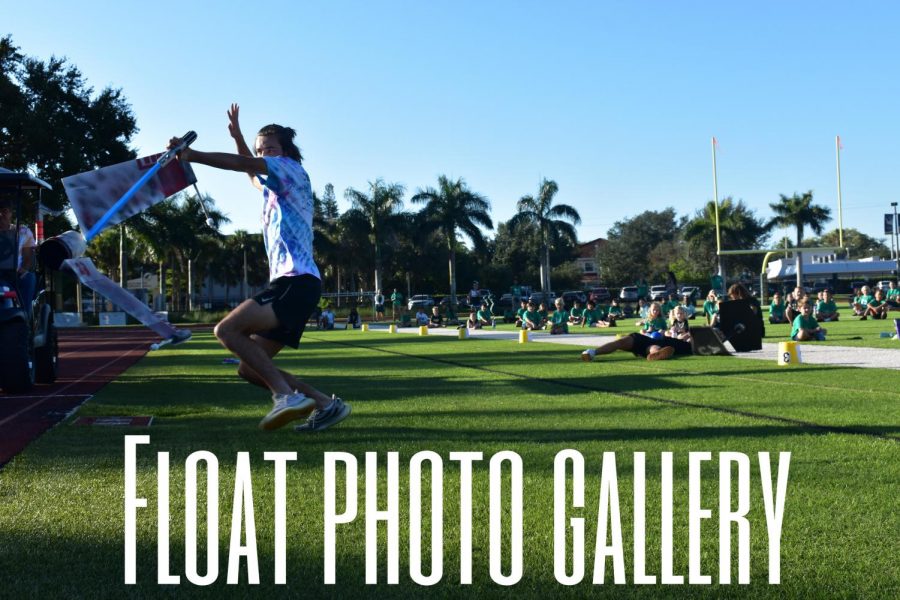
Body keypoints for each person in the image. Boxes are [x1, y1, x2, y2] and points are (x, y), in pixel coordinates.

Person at [167, 104, 350, 432]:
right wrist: (238, 136)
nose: (264, 153)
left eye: (270, 148)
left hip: (296, 280)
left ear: (285, 151)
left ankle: (286, 395)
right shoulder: (274, 187)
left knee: (225, 331)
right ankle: (325, 405)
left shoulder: (289, 168)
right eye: (260, 149)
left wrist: (192, 155)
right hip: (295, 285)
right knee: (250, 369)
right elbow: (249, 171)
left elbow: (244, 164)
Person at [0, 196, 36, 312]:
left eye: (4, 211)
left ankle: (24, 317)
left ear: (10, 213)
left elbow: (28, 258)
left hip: (16, 274)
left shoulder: (23, 232)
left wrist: (23, 269)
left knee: (29, 278)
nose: (1, 215)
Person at [581, 331, 691, 362]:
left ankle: (591, 352)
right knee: (619, 343)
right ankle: (591, 353)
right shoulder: (651, 320)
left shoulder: (664, 322)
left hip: (645, 340)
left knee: (652, 347)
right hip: (642, 338)